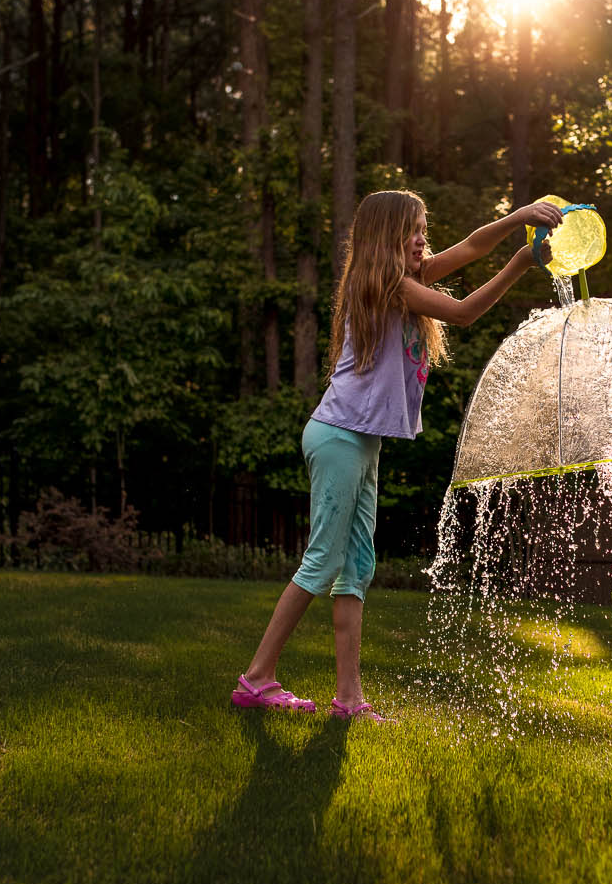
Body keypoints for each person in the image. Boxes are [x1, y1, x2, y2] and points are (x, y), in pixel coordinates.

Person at [231, 189, 564, 722]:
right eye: (413, 228)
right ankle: (257, 678)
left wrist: (518, 218)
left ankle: (349, 699)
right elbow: (464, 313)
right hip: (339, 436)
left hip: (359, 439)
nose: (422, 237)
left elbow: (473, 246)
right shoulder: (387, 286)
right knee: (321, 563)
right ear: (386, 236)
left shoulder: (405, 279)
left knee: (355, 569)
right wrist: (522, 261)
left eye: (423, 227)